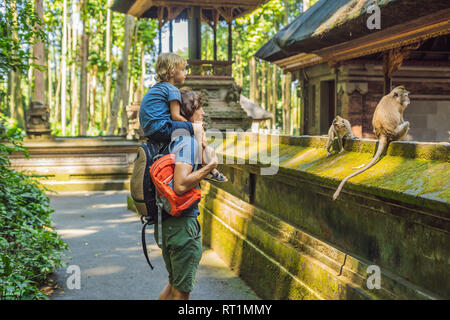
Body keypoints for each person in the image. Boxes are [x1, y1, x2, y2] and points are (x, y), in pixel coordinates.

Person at [155, 91, 217, 300]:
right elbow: (181, 185)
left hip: (167, 223)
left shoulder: (172, 139)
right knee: (181, 293)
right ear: (190, 113)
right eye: (200, 108)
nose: (204, 113)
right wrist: (210, 167)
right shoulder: (187, 142)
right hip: (182, 227)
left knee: (174, 285)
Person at [139, 52, 226, 182]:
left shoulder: (156, 89)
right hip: (161, 127)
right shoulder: (172, 90)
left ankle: (208, 167)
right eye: (183, 70)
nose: (186, 73)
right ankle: (201, 165)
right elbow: (175, 116)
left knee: (193, 129)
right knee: (197, 128)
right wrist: (191, 126)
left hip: (150, 130)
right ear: (172, 72)